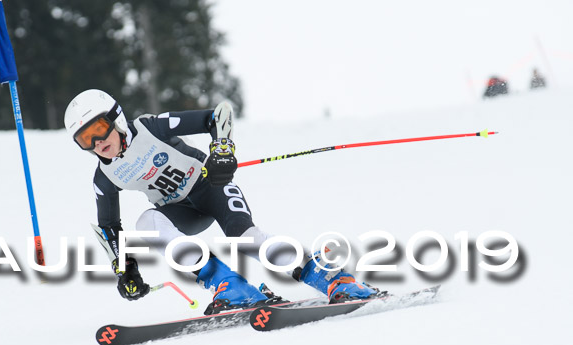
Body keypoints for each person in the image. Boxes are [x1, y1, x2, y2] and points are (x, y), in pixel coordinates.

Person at [64, 89, 378, 314]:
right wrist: (126, 267)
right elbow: (108, 226)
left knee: (246, 239)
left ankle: (335, 279)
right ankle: (230, 285)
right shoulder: (104, 178)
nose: (97, 142)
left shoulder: (150, 128)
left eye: (99, 129)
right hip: (180, 212)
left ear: (116, 118)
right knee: (145, 222)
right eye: (84, 139)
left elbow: (217, 116)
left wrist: (221, 151)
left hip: (210, 187)